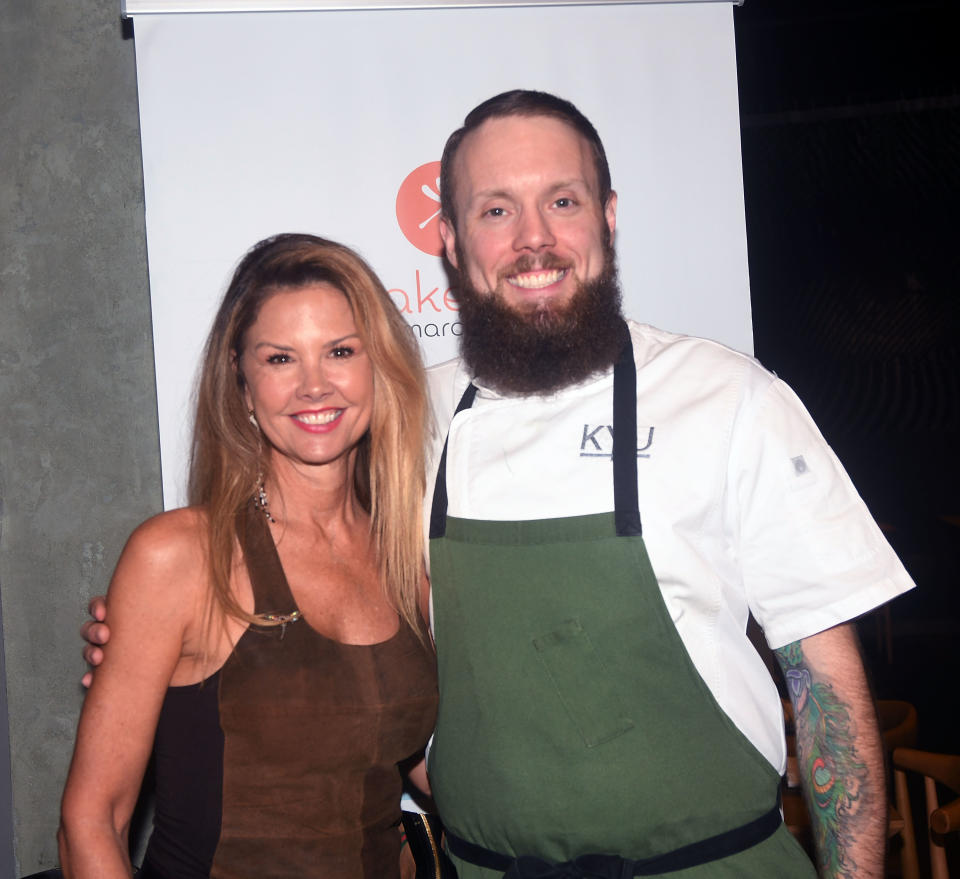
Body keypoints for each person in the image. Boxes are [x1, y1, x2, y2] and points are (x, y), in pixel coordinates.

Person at [84, 92, 916, 878]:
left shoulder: (729, 398)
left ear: (609, 217)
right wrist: (151, 649)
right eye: (495, 210)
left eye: (562, 201)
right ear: (449, 239)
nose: (533, 239)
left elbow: (829, 690)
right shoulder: (413, 419)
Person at [61, 233, 438, 879]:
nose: (314, 385)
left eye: (341, 351)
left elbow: (429, 768)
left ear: (379, 366)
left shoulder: (410, 557)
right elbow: (92, 821)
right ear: (242, 380)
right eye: (281, 358)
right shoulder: (180, 555)